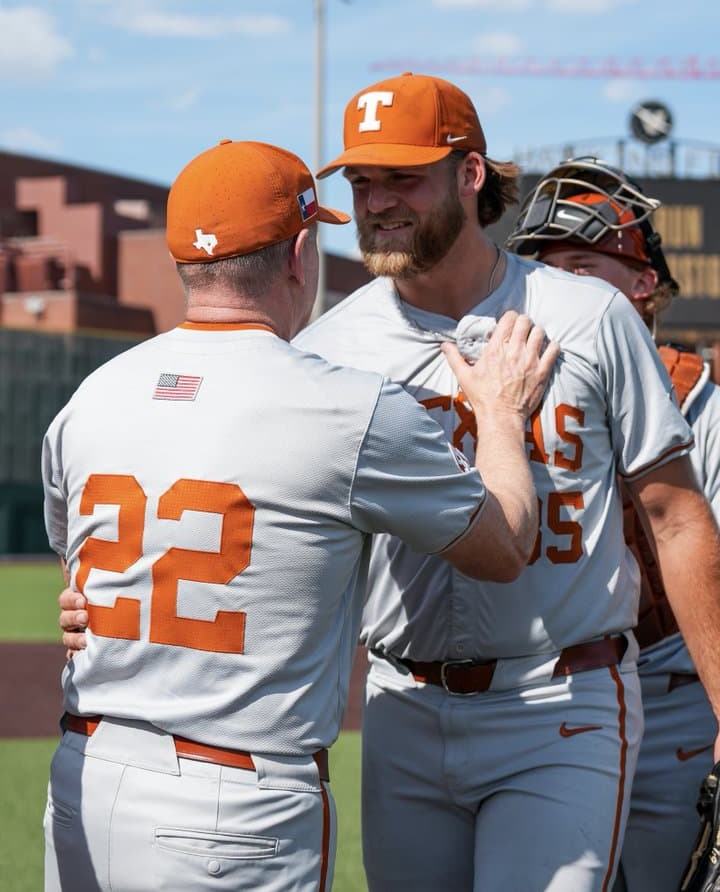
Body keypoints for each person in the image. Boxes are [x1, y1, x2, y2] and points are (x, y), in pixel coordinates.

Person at [59, 73, 720, 891]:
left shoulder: (587, 315)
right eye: (361, 181)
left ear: (470, 174)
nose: (377, 202)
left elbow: (676, 514)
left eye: (403, 176)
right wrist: (106, 597)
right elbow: (249, 523)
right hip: (402, 702)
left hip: (561, 697)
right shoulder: (331, 347)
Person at [42, 137, 558, 892]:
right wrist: (502, 417)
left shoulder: (95, 393)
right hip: (232, 803)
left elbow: (76, 574)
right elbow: (506, 547)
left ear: (185, 262)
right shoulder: (348, 407)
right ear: (300, 253)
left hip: (86, 773)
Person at [505, 155, 720, 892]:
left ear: (643, 285)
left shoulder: (702, 406)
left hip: (673, 704)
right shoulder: (493, 395)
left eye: (580, 266)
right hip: (534, 702)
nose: (557, 288)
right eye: (541, 270)